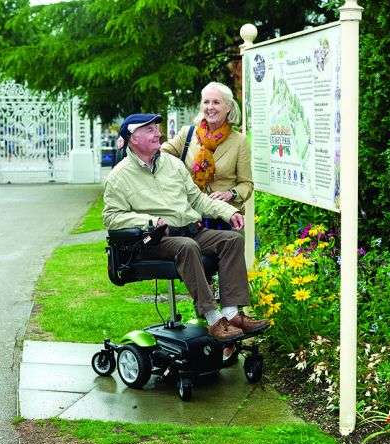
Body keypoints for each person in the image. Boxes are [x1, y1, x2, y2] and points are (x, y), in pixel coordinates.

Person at [103, 113, 268, 341]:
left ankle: (231, 314)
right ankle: (213, 319)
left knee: (232, 240)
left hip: (190, 229)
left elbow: (197, 199)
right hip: (155, 240)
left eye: (157, 128)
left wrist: (229, 212)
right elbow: (112, 217)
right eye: (149, 130)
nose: (158, 133)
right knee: (187, 246)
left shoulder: (172, 164)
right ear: (133, 138)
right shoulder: (119, 177)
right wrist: (148, 221)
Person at [161, 82, 253, 230]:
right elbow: (159, 153)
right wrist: (130, 139)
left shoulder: (239, 141)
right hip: (190, 216)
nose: (210, 107)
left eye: (216, 102)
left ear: (228, 107)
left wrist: (230, 194)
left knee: (229, 251)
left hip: (225, 217)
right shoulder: (188, 134)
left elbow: (246, 184)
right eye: (206, 102)